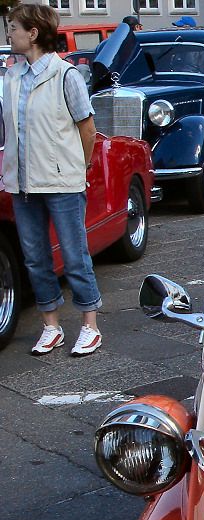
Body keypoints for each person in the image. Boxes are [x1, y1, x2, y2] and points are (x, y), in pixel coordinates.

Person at [2, 4, 102, 356]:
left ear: (32, 33)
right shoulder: (11, 76)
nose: (8, 33)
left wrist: (81, 166)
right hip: (22, 184)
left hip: (62, 182)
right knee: (35, 258)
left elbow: (86, 128)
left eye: (13, 27)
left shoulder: (65, 75)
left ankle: (90, 325)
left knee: (75, 255)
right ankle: (51, 325)